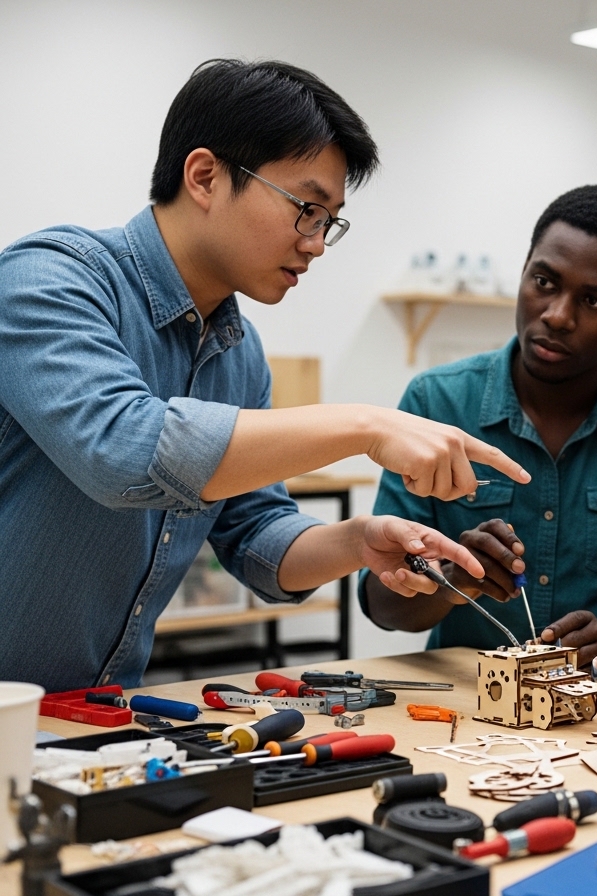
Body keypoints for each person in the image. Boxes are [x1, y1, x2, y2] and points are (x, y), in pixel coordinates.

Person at [0, 59, 528, 693]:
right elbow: (122, 449)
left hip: (91, 712)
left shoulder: (238, 351)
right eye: (306, 208)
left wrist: (360, 540)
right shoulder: (50, 279)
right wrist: (364, 425)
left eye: (328, 221)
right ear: (204, 176)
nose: (316, 243)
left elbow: (254, 534)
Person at [360, 185, 597, 666]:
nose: (557, 315)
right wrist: (453, 579)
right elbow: (381, 607)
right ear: (524, 271)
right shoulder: (435, 402)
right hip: (462, 713)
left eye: (593, 301)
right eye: (544, 282)